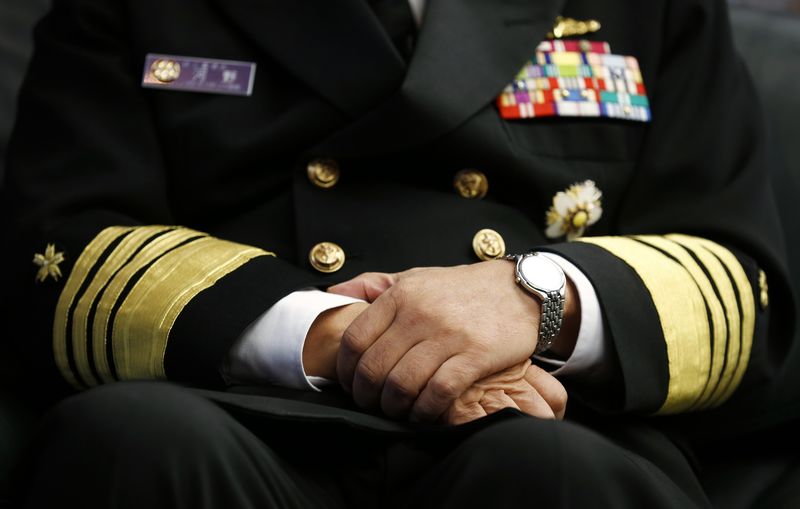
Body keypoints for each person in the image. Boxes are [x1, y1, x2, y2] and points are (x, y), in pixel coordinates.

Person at [1, 0, 795, 507]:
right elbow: (57, 247)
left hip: (538, 415)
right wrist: (337, 337)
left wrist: (535, 300)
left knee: (557, 479)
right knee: (129, 442)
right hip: (245, 406)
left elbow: (740, 281)